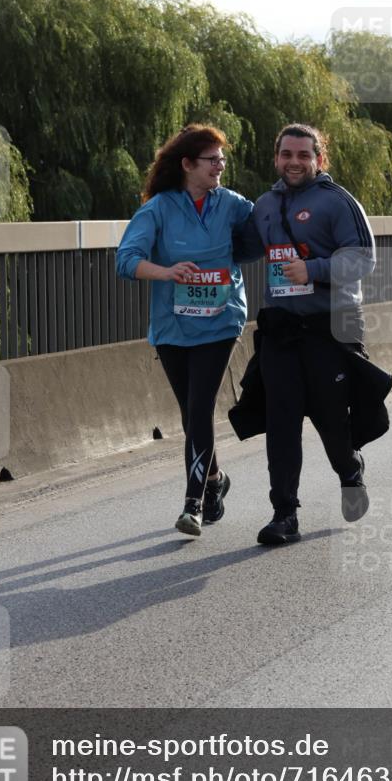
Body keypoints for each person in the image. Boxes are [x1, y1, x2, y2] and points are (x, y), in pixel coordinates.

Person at [232, 123, 392, 545]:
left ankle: (350, 470)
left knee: (331, 422)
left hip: (331, 327)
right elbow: (240, 248)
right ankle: (284, 514)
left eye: (304, 155)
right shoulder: (264, 205)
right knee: (280, 421)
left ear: (319, 159)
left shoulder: (338, 202)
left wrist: (314, 270)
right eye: (287, 154)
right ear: (276, 158)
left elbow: (363, 259)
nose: (294, 162)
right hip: (281, 329)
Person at [116, 125, 254, 537]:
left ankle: (192, 503)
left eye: (221, 160)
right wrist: (167, 271)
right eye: (212, 160)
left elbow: (266, 231)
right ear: (188, 165)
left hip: (221, 320)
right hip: (173, 326)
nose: (220, 166)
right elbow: (126, 260)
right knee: (191, 413)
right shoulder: (158, 208)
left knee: (199, 409)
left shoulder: (231, 204)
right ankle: (214, 479)